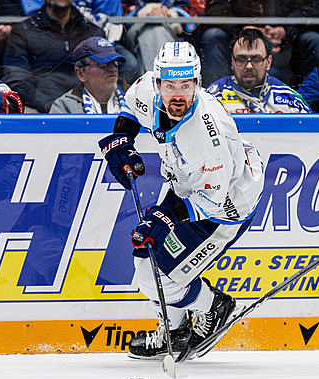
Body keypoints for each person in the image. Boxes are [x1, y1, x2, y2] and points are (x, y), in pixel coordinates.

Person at [97, 41, 264, 359]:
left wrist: (165, 216)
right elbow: (132, 108)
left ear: (197, 84)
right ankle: (175, 331)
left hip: (226, 205)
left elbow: (211, 200)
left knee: (163, 274)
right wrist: (122, 138)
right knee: (146, 264)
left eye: (186, 86)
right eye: (170, 85)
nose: (177, 94)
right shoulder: (148, 87)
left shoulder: (205, 132)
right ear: (157, 82)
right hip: (187, 186)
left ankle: (215, 306)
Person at [1, 0, 106, 113]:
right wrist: (50, 105)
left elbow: (103, 77)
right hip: (40, 110)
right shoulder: (22, 31)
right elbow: (16, 79)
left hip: (86, 108)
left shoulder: (93, 32)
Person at [207, 28, 312, 114]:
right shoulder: (212, 99)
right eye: (241, 59)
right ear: (232, 62)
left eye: (256, 59)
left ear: (268, 62)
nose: (249, 66)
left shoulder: (290, 100)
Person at [49, 37, 126, 114]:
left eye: (115, 62)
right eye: (103, 64)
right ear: (81, 74)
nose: (113, 69)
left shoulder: (134, 97)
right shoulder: (63, 107)